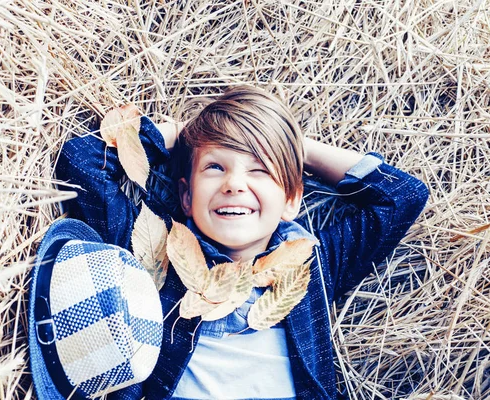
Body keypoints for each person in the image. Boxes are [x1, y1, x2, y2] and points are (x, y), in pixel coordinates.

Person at [53, 86, 429, 399]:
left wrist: (296, 147)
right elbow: (79, 160)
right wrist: (186, 134)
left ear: (291, 200)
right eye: (215, 167)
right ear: (186, 196)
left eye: (260, 169)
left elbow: (403, 196)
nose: (234, 184)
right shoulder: (153, 252)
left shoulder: (312, 266)